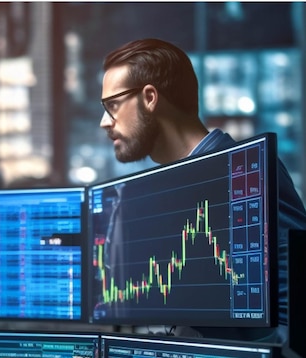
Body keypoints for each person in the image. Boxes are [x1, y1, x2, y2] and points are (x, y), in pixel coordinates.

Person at [99, 37, 306, 341]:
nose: (105, 122)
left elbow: (296, 314)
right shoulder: (172, 187)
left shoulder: (245, 171)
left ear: (150, 98)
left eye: (112, 105)